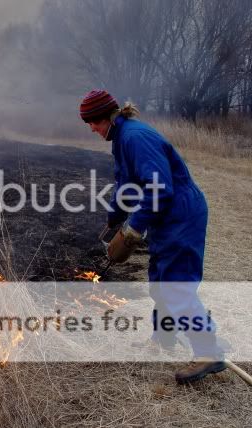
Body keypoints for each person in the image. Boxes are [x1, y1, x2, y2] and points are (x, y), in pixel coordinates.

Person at [79, 89, 225, 384]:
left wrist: (135, 228)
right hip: (166, 217)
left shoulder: (135, 138)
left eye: (92, 122)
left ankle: (209, 351)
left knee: (176, 285)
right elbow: (126, 183)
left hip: (180, 214)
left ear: (106, 117)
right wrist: (115, 216)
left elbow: (160, 189)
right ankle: (164, 339)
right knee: (160, 282)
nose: (91, 129)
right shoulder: (121, 139)